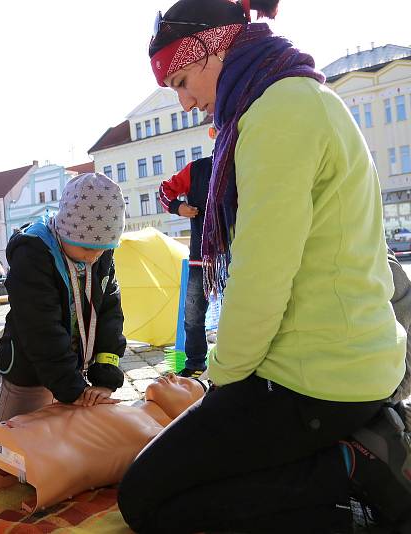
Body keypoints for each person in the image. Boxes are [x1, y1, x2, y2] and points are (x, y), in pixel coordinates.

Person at [117, 1, 410, 532]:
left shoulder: (278, 111)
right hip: (338, 361)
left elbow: (261, 272)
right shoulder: (288, 95)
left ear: (213, 50)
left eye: (182, 81)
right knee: (189, 472)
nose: (184, 103)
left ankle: (352, 474)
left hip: (317, 377)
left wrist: (222, 382)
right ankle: (354, 446)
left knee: (146, 499)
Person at [0, 172, 127, 422]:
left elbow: (110, 313)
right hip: (29, 372)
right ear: (65, 230)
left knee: (59, 443)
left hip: (71, 372)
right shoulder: (32, 254)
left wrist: (106, 377)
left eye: (103, 249)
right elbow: (40, 329)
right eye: (87, 248)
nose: (93, 258)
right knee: (7, 445)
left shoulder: (100, 252)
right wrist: (71, 388)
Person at [0, 374, 205, 512]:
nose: (173, 376)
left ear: (192, 410)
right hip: (10, 437)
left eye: (185, 385)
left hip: (38, 462)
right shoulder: (126, 407)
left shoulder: (158, 437)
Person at [158, 152, 214, 377]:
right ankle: (196, 365)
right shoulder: (197, 168)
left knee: (241, 313)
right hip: (200, 257)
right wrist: (177, 207)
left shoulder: (246, 160)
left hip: (238, 255)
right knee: (193, 315)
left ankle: (240, 367)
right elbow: (165, 190)